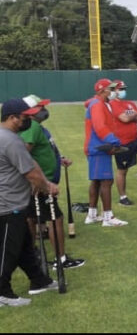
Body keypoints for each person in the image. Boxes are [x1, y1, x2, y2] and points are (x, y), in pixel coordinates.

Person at [0, 98, 59, 307]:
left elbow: (30, 162)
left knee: (24, 246)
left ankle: (39, 280)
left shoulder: (9, 137)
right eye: (25, 117)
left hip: (15, 202)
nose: (29, 120)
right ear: (12, 118)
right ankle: (2, 292)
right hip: (8, 205)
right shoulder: (10, 140)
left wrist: (45, 182)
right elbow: (30, 173)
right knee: (8, 251)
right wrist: (47, 187)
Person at [20, 95, 84, 270]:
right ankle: (60, 259)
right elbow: (23, 155)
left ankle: (32, 255)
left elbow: (44, 149)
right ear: (31, 111)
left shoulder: (37, 126)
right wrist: (36, 180)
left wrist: (59, 158)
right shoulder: (32, 126)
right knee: (55, 219)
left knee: (32, 218)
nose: (44, 110)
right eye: (40, 107)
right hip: (41, 183)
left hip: (41, 181)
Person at [84, 78, 127, 227]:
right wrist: (114, 141)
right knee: (106, 181)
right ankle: (108, 218)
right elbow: (100, 127)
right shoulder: (97, 105)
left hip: (98, 147)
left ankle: (92, 215)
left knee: (97, 181)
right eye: (111, 89)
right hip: (99, 148)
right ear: (102, 90)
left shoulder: (100, 103)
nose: (114, 92)